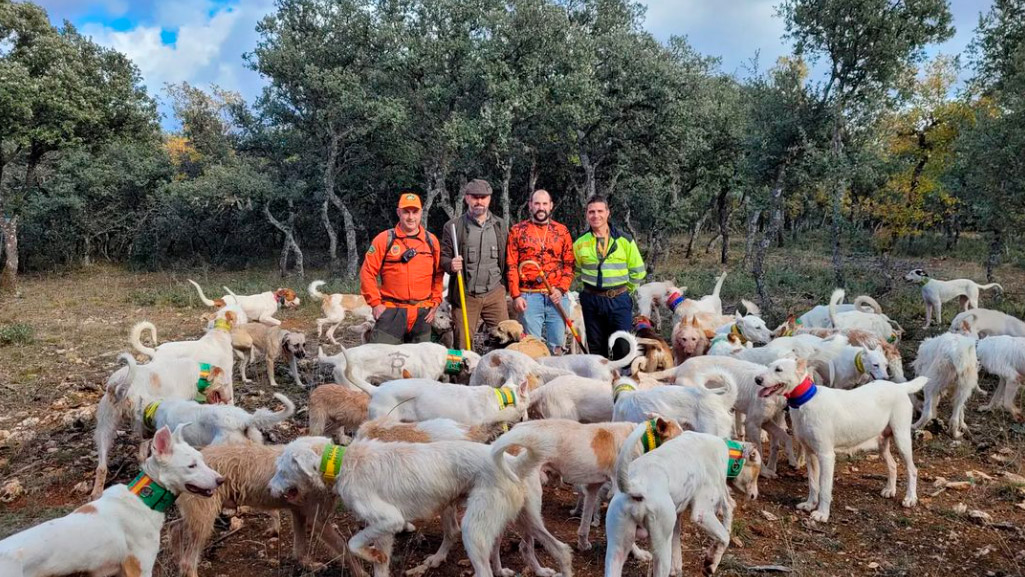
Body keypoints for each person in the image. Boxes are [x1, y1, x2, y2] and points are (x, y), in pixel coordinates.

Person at [360, 192, 443, 344]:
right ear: (398, 213)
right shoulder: (384, 239)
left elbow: (438, 274)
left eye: (415, 212)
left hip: (422, 313)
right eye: (406, 212)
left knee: (420, 357)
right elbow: (367, 273)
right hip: (391, 311)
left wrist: (436, 301)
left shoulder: (431, 241)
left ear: (421, 213)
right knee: (382, 356)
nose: (411, 217)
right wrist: (375, 304)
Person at [573, 195, 646, 359]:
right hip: (592, 301)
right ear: (587, 215)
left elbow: (638, 271)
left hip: (619, 300)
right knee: (596, 347)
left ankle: (623, 375)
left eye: (600, 211)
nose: (596, 215)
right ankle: (601, 375)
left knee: (623, 346)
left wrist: (626, 290)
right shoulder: (579, 243)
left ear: (607, 213)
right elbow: (575, 271)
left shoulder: (624, 240)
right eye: (591, 212)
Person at [440, 179, 509, 349]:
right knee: (462, 345)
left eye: (483, 197)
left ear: (489, 199)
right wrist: (451, 264)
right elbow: (443, 257)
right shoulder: (453, 227)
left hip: (495, 294)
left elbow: (508, 258)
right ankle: (462, 368)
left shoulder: (500, 225)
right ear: (467, 198)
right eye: (475, 197)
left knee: (505, 341)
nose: (479, 201)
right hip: (466, 295)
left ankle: (495, 366)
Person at [506, 189, 575, 354]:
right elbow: (511, 265)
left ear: (551, 206)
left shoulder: (562, 231)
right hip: (529, 297)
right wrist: (516, 295)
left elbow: (569, 265)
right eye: (537, 203)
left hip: (556, 297)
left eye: (545, 203)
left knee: (557, 347)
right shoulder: (517, 230)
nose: (541, 207)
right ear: (530, 205)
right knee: (531, 347)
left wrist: (561, 290)